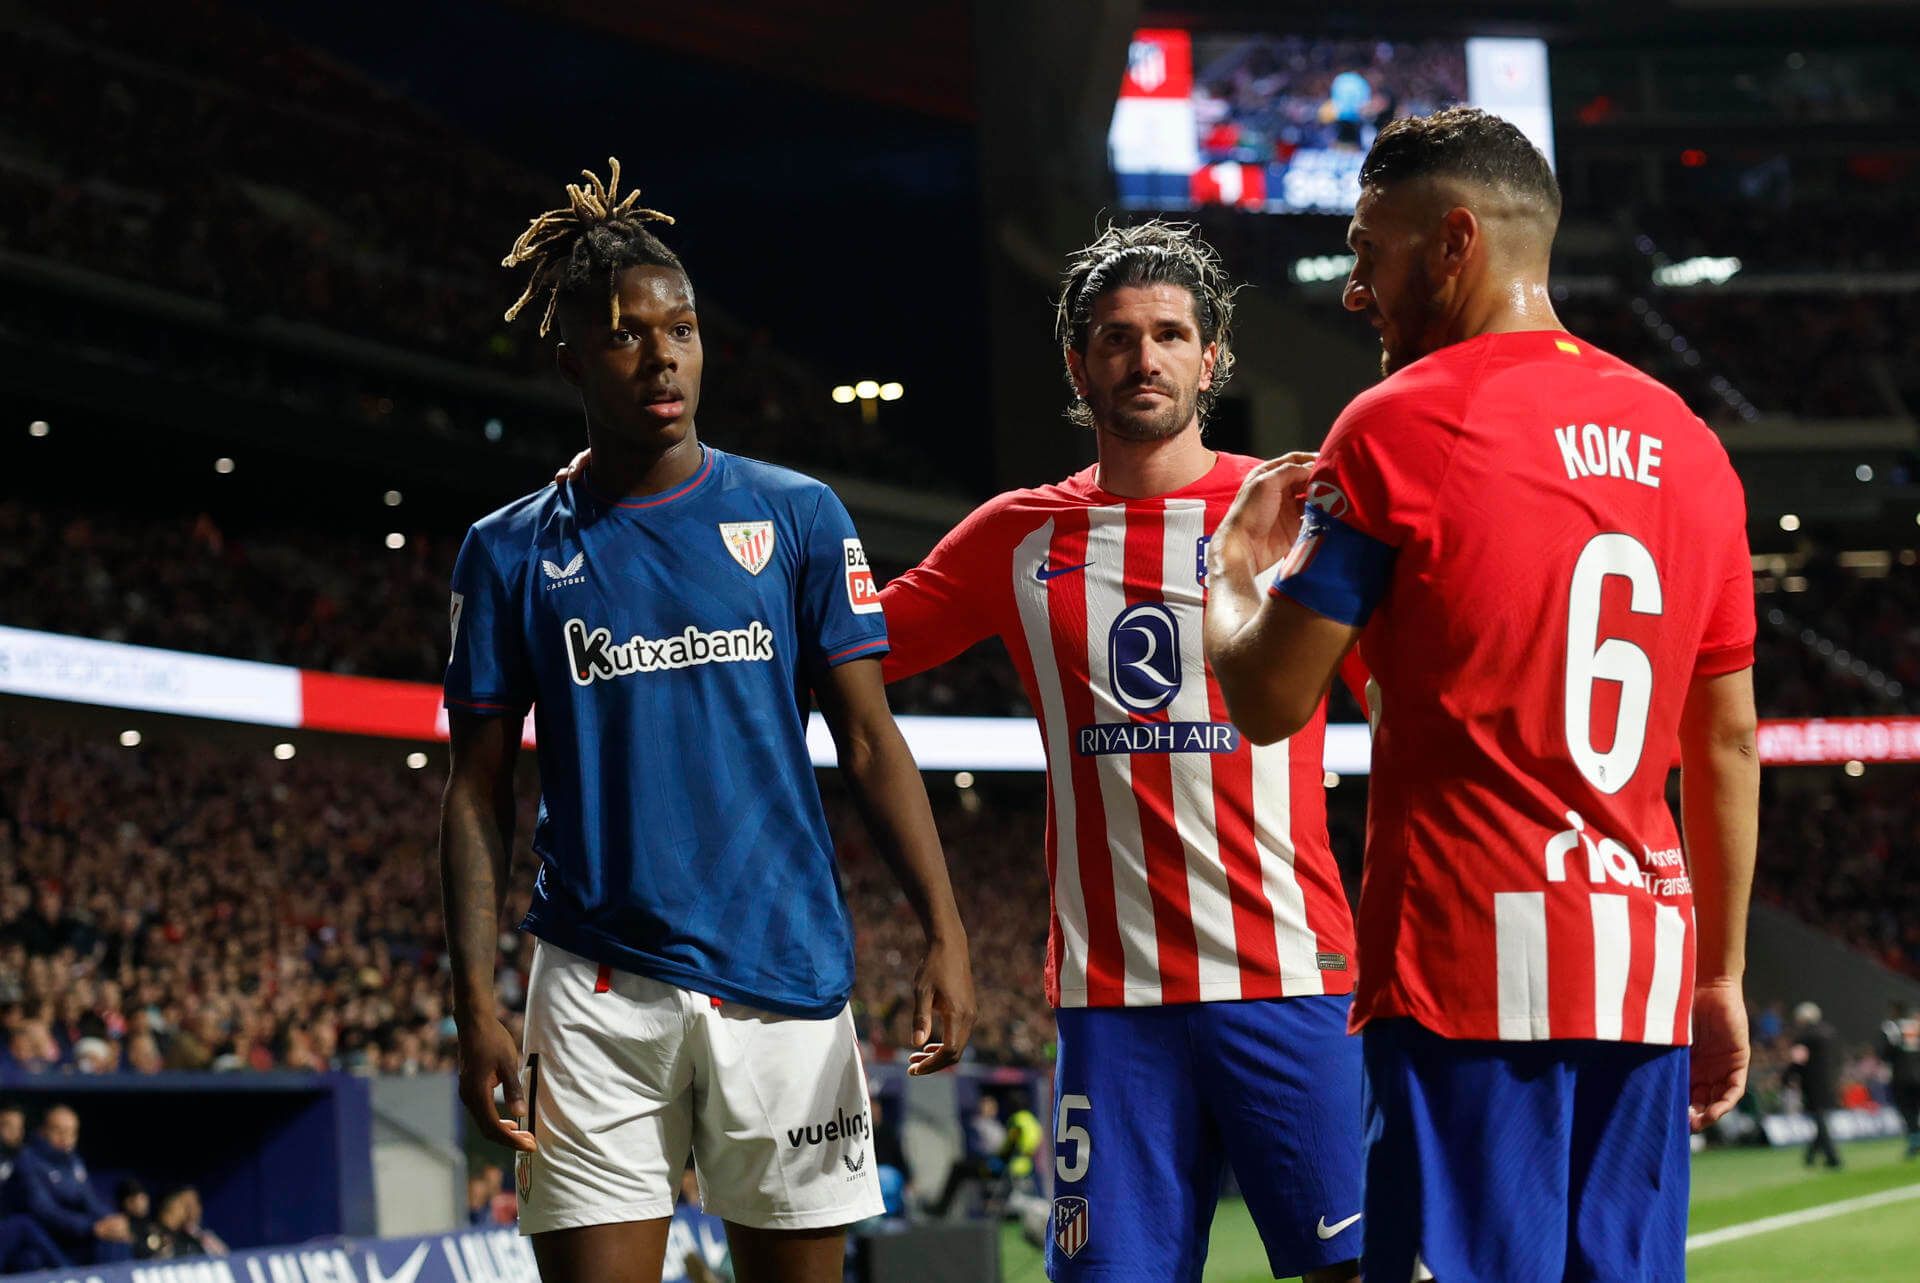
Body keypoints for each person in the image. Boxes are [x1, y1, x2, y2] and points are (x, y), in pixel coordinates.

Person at [559, 218, 1365, 1282]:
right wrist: (669, 603)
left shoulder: (1289, 507)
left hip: (1295, 979)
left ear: (1211, 359)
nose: (1146, 357)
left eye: (1172, 334)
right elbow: (843, 650)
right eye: (1118, 337)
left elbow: (1404, 706)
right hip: (1110, 1008)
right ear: (1078, 363)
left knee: (1357, 1270)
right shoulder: (1014, 537)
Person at [1205, 106, 1758, 1282]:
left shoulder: (1401, 422)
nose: (1356, 289)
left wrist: (1229, 574)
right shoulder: (1691, 444)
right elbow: (1726, 741)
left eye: (1368, 251)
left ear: (1454, 242)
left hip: (1467, 964)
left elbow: (1264, 698)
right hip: (1643, 962)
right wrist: (1721, 973)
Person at [442, 159, 975, 1283]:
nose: (662, 354)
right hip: (593, 985)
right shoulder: (508, 550)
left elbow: (870, 740)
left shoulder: (798, 515)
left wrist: (946, 927)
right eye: (628, 335)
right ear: (572, 357)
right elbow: (475, 791)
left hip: (782, 974)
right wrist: (474, 1004)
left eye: (679, 328)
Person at [10, 1105, 134, 1265]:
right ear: (43, 1130)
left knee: (116, 1239)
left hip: (73, 1234)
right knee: (30, 1258)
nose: (65, 1137)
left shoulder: (73, 1160)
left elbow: (89, 1200)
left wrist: (110, 1219)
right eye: (58, 1130)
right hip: (43, 1236)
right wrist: (92, 1227)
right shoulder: (27, 1160)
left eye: (71, 1132)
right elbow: (44, 1211)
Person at [1790, 1001, 1842, 1168]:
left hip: (1812, 1083)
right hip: (1831, 1081)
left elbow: (1797, 1061)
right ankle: (1811, 1155)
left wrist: (1786, 1078)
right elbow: (1839, 1058)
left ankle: (1832, 1157)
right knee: (1822, 1119)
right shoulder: (1831, 1033)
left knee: (1820, 1119)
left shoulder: (1804, 1037)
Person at [1883, 1000, 1920, 1159]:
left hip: (1901, 1076)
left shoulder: (1891, 1027)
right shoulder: (1916, 1025)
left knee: (1907, 1111)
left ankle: (1915, 1142)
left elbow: (1885, 1053)